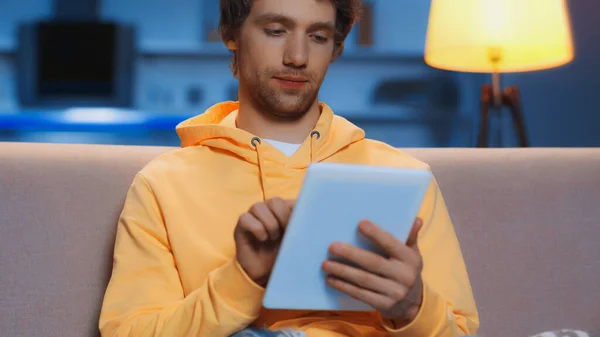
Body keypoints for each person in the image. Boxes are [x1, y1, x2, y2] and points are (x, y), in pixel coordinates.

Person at [98, 0, 480, 336]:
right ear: (231, 34)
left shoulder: (405, 177)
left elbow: (462, 332)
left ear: (336, 46)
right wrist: (243, 280)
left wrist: (412, 308)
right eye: (276, 30)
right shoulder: (161, 185)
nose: (297, 56)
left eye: (317, 36)